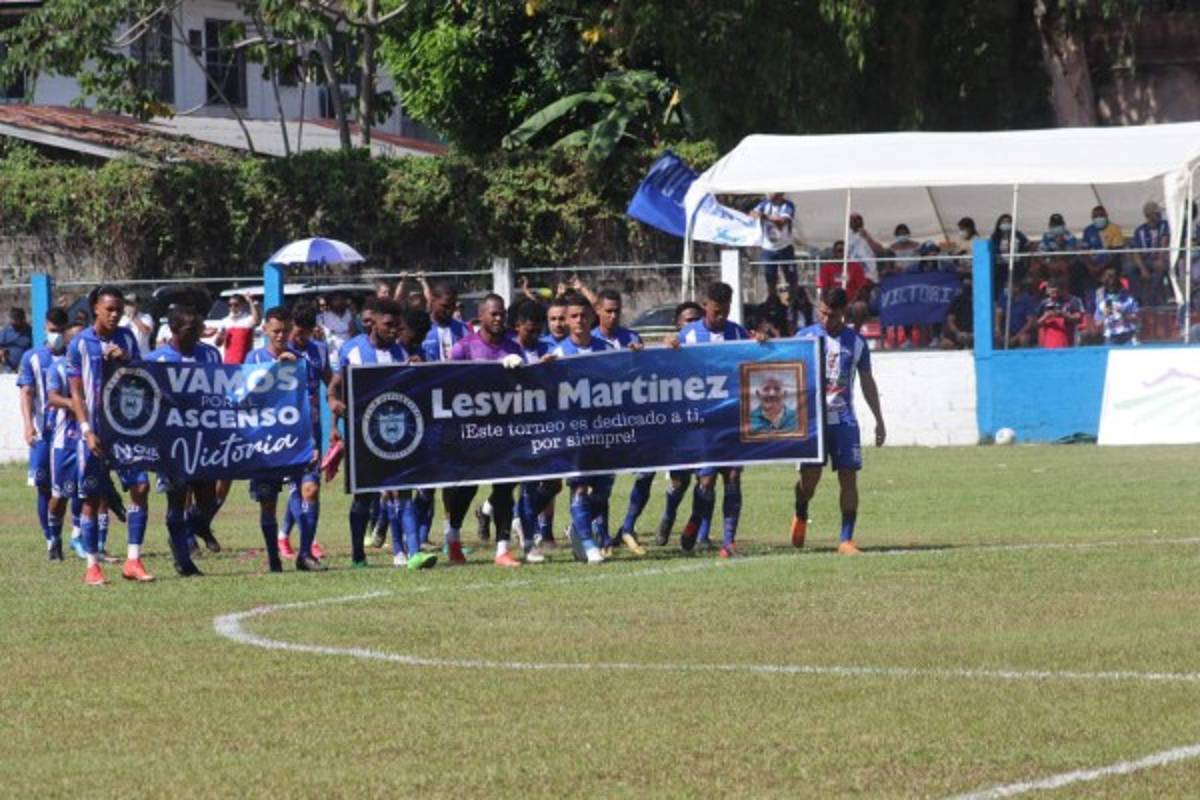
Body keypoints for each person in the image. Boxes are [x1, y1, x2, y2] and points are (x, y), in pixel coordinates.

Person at [328, 299, 437, 570]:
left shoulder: (402, 353)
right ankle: (357, 555)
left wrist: (417, 371)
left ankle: (412, 553)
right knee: (364, 497)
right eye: (388, 325)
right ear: (372, 323)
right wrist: (334, 411)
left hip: (396, 433)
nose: (393, 330)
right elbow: (335, 388)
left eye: (397, 326)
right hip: (362, 435)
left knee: (403, 491)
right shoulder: (352, 351)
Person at [65, 286, 153, 585]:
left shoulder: (127, 337)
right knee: (91, 498)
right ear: (95, 310)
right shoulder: (79, 344)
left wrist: (126, 359)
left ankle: (133, 560)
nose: (115, 314)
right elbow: (76, 393)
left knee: (140, 487)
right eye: (109, 309)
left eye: (118, 309)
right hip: (94, 431)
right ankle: (92, 566)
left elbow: (142, 375)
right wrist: (87, 430)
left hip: (126, 429)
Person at [793, 288, 886, 556]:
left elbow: (867, 382)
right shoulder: (804, 338)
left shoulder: (856, 342)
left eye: (832, 315)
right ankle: (800, 510)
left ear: (843, 314)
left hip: (844, 420)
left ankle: (846, 539)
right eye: (822, 313)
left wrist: (879, 419)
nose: (825, 319)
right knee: (809, 482)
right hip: (812, 422)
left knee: (849, 477)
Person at [668, 282, 754, 557]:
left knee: (733, 475)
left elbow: (756, 357)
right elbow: (664, 361)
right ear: (706, 306)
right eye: (716, 311)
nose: (720, 317)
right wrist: (668, 346)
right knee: (706, 481)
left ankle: (729, 542)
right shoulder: (690, 334)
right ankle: (696, 517)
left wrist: (763, 342)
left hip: (731, 418)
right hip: (702, 420)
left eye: (725, 312)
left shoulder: (737, 333)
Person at [145, 306, 223, 576]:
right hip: (172, 441)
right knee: (176, 500)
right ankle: (183, 558)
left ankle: (190, 528)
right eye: (191, 330)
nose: (196, 336)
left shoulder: (210, 354)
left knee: (208, 501)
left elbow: (223, 389)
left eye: (199, 330)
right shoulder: (157, 360)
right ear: (175, 330)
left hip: (204, 439)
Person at [549, 293, 615, 564]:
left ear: (592, 317)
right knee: (578, 488)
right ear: (566, 320)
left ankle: (579, 530)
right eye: (573, 316)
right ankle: (588, 545)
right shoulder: (558, 354)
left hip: (605, 431)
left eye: (583, 315)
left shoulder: (608, 350)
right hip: (573, 433)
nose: (579, 321)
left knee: (602, 492)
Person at [273, 303, 333, 562]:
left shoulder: (318, 349)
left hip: (313, 428)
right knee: (298, 488)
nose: (300, 339)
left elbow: (330, 382)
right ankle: (303, 543)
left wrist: (336, 406)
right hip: (284, 430)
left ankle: (294, 540)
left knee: (310, 488)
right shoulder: (279, 352)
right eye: (297, 333)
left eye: (305, 334)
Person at [18, 307, 69, 559]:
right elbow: (26, 393)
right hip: (43, 433)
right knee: (43, 486)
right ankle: (51, 540)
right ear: (44, 328)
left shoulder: (73, 355)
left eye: (60, 331)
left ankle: (74, 535)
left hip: (69, 433)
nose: (56, 336)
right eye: (52, 331)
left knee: (68, 488)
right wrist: (28, 425)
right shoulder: (32, 357)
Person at [651, 301, 702, 546]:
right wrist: (666, 349)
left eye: (695, 320)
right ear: (678, 324)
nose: (691, 325)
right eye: (686, 321)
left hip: (710, 421)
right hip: (681, 422)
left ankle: (697, 530)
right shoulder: (671, 347)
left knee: (708, 478)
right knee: (680, 482)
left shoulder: (714, 345)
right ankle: (668, 516)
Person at [750, 192, 798, 299]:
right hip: (768, 249)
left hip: (785, 248)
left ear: (780, 194)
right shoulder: (764, 204)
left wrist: (764, 217)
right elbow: (752, 213)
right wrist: (756, 214)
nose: (769, 194)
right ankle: (772, 302)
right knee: (770, 279)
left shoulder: (788, 205)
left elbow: (782, 222)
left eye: (772, 192)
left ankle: (794, 301)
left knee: (791, 278)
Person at [817, 241, 870, 326]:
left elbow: (861, 287)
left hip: (852, 302)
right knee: (823, 308)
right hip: (833, 302)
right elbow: (824, 288)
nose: (842, 253)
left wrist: (851, 302)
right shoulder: (826, 267)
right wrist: (829, 304)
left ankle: (855, 333)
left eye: (845, 251)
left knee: (860, 307)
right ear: (834, 252)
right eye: (840, 250)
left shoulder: (855, 266)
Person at [1132, 201, 1170, 306]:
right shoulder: (1139, 231)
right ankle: (1137, 299)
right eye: (1156, 213)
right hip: (1147, 261)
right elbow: (1135, 252)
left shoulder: (1164, 224)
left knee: (1162, 267)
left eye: (1159, 213)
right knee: (1129, 268)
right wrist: (1143, 269)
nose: (1159, 215)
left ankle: (1152, 301)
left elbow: (1164, 242)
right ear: (1148, 215)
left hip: (1161, 259)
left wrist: (1160, 259)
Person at [422, 282, 470, 362]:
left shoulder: (463, 329)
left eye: (453, 306)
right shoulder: (422, 328)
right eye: (445, 306)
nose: (450, 310)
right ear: (433, 301)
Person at [1082, 205, 1125, 289]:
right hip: (1093, 263)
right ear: (1092, 218)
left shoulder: (1115, 229)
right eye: (1095, 216)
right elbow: (1084, 252)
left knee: (1114, 266)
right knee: (1078, 268)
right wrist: (1090, 266)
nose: (1098, 218)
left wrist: (1100, 267)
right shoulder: (1088, 230)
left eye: (1101, 215)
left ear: (1106, 216)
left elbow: (1115, 253)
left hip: (1109, 262)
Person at [1093, 265, 1139, 345]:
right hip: (1110, 338)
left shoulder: (1128, 297)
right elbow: (1097, 324)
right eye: (1107, 278)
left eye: (1112, 277)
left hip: (1128, 336)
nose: (1110, 281)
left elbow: (1137, 319)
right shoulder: (1101, 299)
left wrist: (1123, 313)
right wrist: (1105, 315)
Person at [1036, 278, 1085, 348]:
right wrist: (1046, 316)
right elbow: (1036, 324)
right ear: (1047, 291)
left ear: (1061, 290)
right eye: (1052, 292)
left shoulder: (1072, 300)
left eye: (1057, 292)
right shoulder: (1044, 303)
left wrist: (1062, 314)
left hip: (1067, 342)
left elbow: (1078, 318)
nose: (1054, 295)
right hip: (1049, 344)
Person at [213, 292, 259, 365]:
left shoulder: (248, 319)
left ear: (243, 305)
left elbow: (257, 321)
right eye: (230, 305)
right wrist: (219, 338)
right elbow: (218, 344)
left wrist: (250, 302)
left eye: (236, 305)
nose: (232, 307)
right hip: (229, 363)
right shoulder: (225, 321)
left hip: (246, 363)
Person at [995, 279, 1040, 348]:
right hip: (1007, 331)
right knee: (994, 337)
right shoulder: (1003, 297)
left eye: (1008, 287)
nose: (1006, 290)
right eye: (1005, 287)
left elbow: (1030, 322)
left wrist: (1015, 338)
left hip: (1023, 331)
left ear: (1016, 288)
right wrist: (998, 331)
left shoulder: (1026, 300)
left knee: (1024, 338)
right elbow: (998, 314)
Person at [318, 292, 356, 366]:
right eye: (335, 300)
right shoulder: (323, 316)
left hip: (349, 351)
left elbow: (353, 333)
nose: (339, 302)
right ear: (330, 302)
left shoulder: (350, 314)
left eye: (341, 299)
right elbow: (320, 335)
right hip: (332, 353)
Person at [940, 275, 974, 350]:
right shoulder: (958, 300)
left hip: (977, 333)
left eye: (969, 284)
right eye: (965, 285)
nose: (967, 287)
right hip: (960, 332)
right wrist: (958, 333)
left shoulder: (981, 299)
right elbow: (950, 320)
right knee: (945, 344)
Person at [0, 307, 33, 373]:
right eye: (12, 319)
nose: (13, 322)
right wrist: (1, 352)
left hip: (26, 368)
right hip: (8, 369)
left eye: (16, 320)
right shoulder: (6, 332)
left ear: (23, 319)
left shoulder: (30, 332)